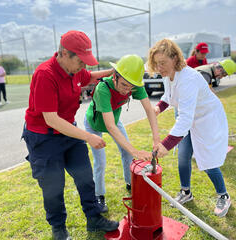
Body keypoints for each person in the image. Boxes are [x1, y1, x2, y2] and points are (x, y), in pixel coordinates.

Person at [22, 30, 119, 240]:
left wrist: (113, 72)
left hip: (69, 132)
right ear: (64, 54)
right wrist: (88, 136)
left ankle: (94, 219)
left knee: (85, 177)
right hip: (44, 137)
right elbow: (52, 119)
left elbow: (89, 76)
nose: (84, 66)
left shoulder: (74, 70)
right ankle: (59, 229)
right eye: (81, 61)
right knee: (53, 186)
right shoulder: (45, 74)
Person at [148, 39, 231, 217]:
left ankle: (224, 195)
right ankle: (186, 192)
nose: (159, 67)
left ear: (175, 58)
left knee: (208, 161)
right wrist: (158, 108)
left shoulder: (189, 78)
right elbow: (169, 95)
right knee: (184, 157)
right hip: (191, 119)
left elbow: (185, 118)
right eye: (157, 63)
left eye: (162, 63)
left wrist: (166, 144)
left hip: (207, 119)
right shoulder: (167, 74)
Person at [84, 54, 160, 212]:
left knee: (127, 155)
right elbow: (110, 126)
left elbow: (149, 110)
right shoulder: (102, 88)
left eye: (130, 87)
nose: (127, 90)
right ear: (115, 76)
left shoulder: (133, 84)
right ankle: (99, 195)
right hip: (95, 124)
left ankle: (130, 184)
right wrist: (134, 150)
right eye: (124, 85)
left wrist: (156, 139)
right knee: (100, 162)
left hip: (114, 119)